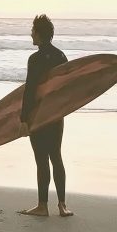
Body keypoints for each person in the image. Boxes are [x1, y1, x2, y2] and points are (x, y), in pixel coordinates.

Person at [17, 14, 73, 218]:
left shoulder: (35, 59)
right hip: (56, 115)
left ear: (39, 34)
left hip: (38, 116)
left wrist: (24, 120)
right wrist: (63, 109)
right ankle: (62, 205)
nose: (31, 34)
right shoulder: (60, 56)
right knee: (56, 157)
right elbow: (67, 87)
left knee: (41, 159)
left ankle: (42, 206)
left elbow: (30, 91)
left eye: (33, 31)